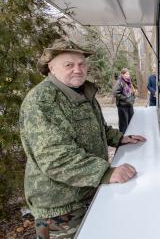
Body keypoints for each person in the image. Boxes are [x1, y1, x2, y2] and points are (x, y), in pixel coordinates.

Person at [19, 38, 146, 239]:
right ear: (51, 67)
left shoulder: (82, 91)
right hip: (60, 207)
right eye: (69, 65)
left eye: (81, 64)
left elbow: (96, 128)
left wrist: (119, 138)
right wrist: (105, 172)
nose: (78, 69)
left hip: (85, 192)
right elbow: (54, 157)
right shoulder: (42, 101)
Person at [114, 68, 136, 133]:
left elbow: (131, 92)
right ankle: (123, 137)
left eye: (128, 74)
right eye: (126, 74)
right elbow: (116, 93)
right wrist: (126, 99)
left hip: (129, 105)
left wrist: (132, 96)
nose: (128, 75)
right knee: (123, 124)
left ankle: (130, 135)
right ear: (122, 74)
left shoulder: (129, 82)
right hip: (122, 106)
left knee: (131, 122)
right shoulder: (119, 82)